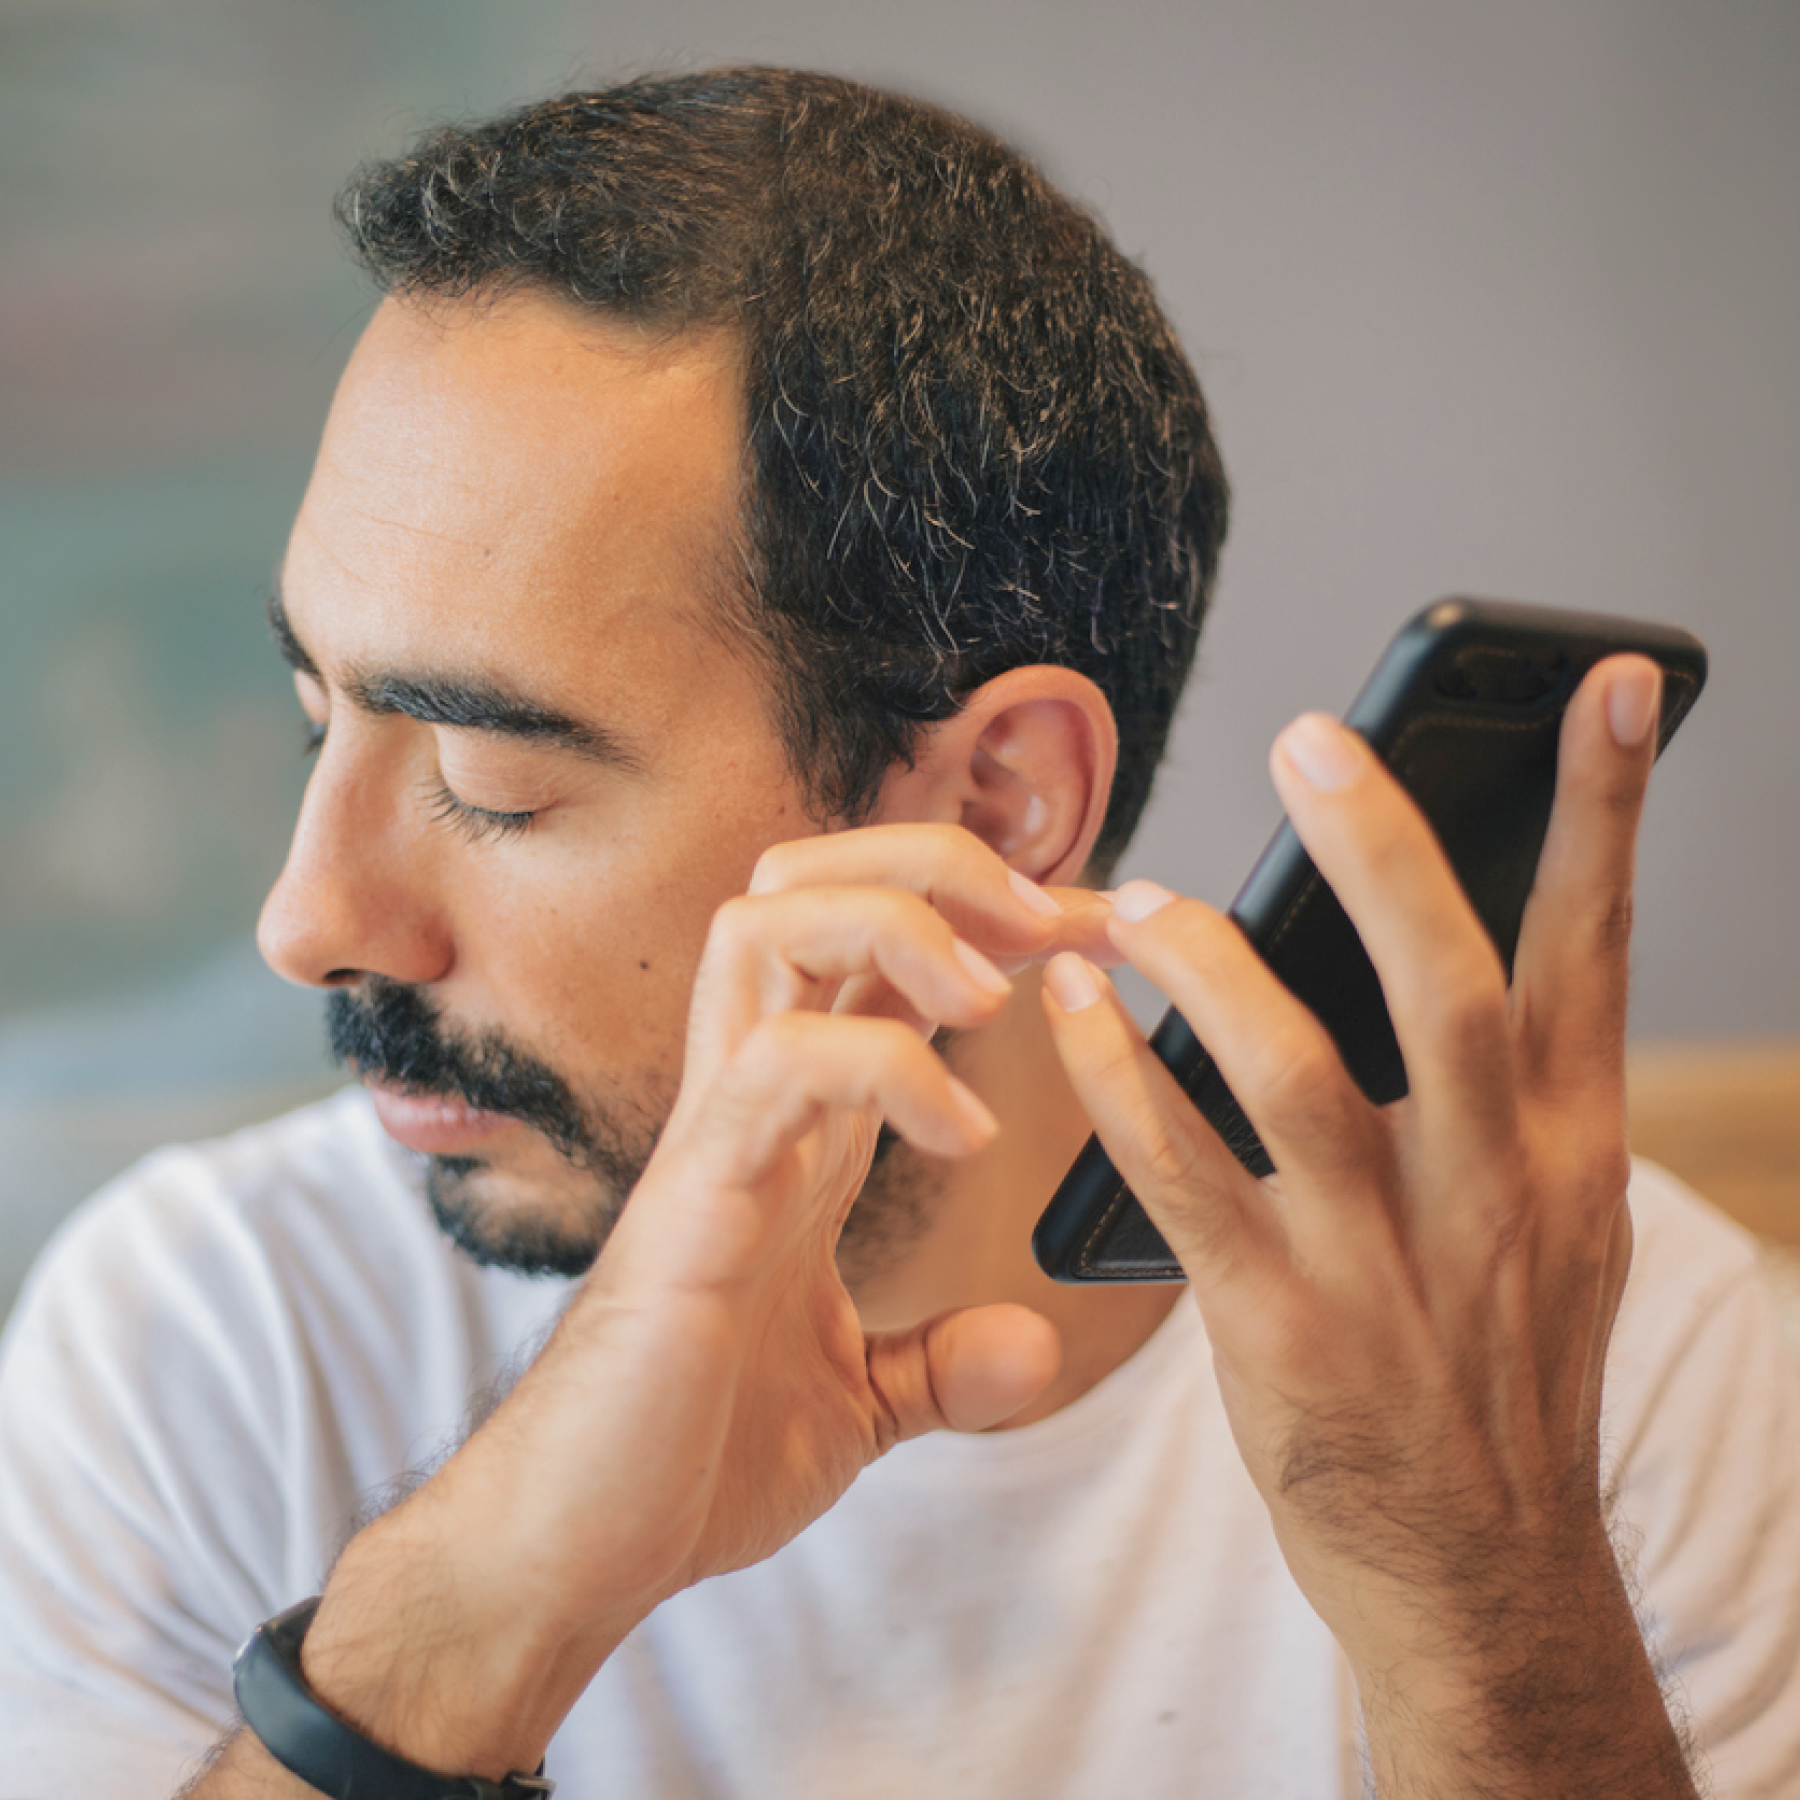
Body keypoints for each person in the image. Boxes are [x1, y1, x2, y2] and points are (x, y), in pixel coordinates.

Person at [1, 67, 1796, 1800]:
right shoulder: (218, 1333)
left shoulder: (1629, 1386)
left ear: (999, 801)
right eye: (322, 718)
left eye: (495, 779)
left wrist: (1477, 1594)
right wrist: (471, 1615)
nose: (307, 921)